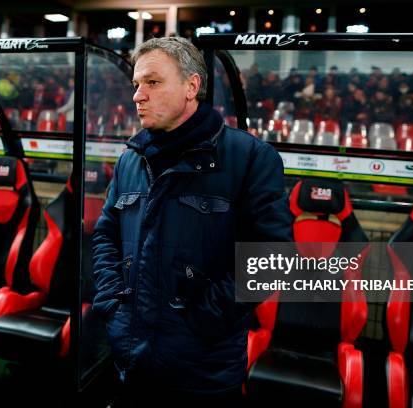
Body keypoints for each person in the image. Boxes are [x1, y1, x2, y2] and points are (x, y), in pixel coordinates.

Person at [91, 37, 293, 407]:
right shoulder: (131, 159)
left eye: (153, 82)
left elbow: (272, 258)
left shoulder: (250, 159)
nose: (138, 95)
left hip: (203, 374)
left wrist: (201, 322)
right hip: (130, 359)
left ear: (192, 86)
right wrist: (112, 305)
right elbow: (106, 234)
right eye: (136, 84)